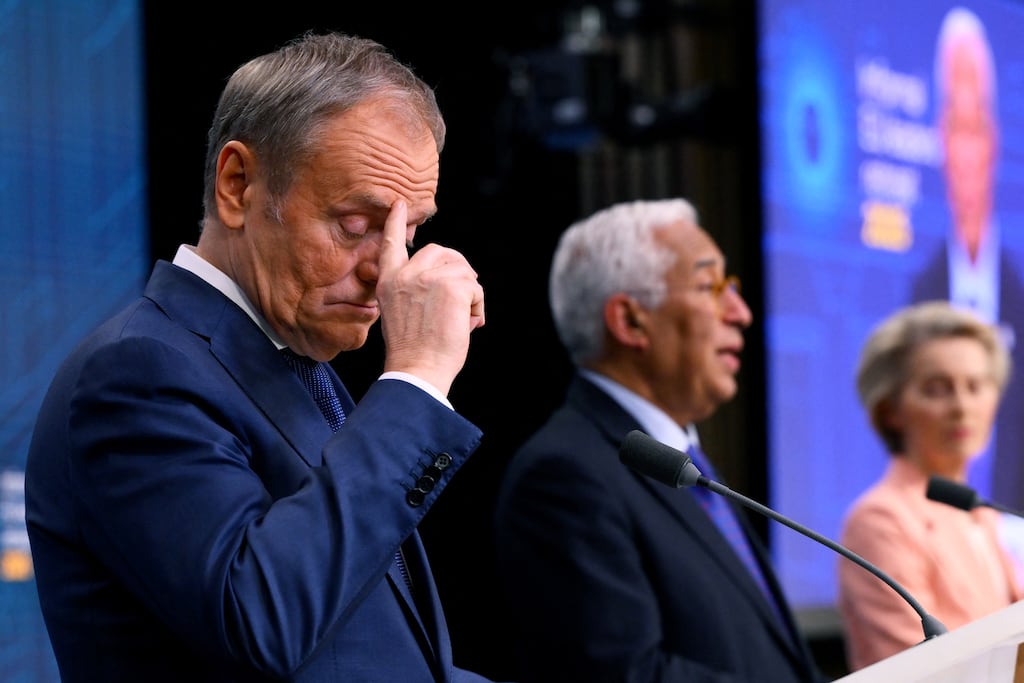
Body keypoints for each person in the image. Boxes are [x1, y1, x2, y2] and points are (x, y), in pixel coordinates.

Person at [24, 32, 499, 683]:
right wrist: (415, 381)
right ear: (238, 184)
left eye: (409, 232)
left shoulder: (300, 369)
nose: (389, 272)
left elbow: (367, 655)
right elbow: (261, 620)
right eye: (357, 225)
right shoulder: (138, 372)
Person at [493, 198, 826, 682]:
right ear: (630, 320)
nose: (741, 312)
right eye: (711, 286)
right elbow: (623, 674)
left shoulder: (687, 464)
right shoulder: (565, 476)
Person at [837, 300, 1024, 671]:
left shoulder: (979, 513)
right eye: (938, 389)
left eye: (976, 385)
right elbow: (925, 670)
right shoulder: (880, 519)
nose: (962, 406)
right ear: (891, 410)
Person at [910, 5, 1024, 511]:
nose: (967, 152)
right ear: (940, 138)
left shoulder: (1020, 292)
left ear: (994, 141)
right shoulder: (919, 294)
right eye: (956, 125)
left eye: (976, 125)